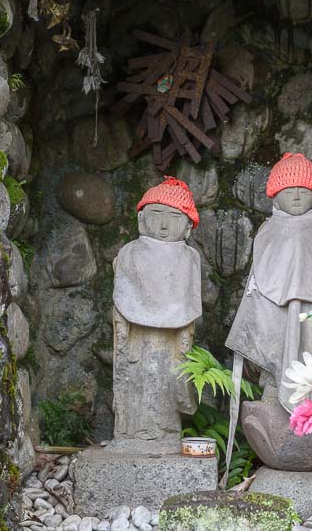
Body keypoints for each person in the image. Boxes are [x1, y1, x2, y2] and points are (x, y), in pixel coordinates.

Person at [224, 153, 312, 469]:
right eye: (289, 190)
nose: (297, 196)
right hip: (275, 312)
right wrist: (256, 319)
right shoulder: (267, 231)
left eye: (303, 189)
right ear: (275, 196)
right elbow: (257, 283)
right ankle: (276, 391)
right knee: (277, 353)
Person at [108, 177, 202, 453]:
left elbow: (188, 302)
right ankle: (129, 433)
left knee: (168, 380)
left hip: (171, 344)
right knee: (135, 380)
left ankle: (166, 433)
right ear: (141, 220)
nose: (163, 225)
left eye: (174, 217)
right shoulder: (129, 253)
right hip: (136, 341)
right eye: (156, 214)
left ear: (188, 227)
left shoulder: (190, 257)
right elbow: (122, 297)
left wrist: (184, 336)